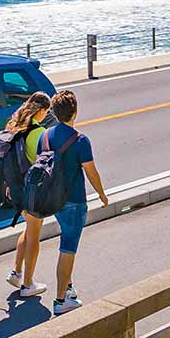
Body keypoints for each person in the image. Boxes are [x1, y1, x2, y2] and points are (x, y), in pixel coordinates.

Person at [39, 89, 108, 315]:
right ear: (74, 112)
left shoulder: (45, 136)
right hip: (75, 201)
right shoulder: (80, 141)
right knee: (68, 248)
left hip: (53, 200)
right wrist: (101, 194)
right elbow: (91, 172)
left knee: (66, 242)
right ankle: (60, 301)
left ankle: (68, 289)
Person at [3, 91, 53, 299]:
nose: (47, 115)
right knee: (34, 236)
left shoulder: (13, 125)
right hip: (32, 190)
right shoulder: (39, 133)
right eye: (47, 111)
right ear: (41, 110)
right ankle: (28, 284)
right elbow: (45, 162)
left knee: (28, 228)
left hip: (15, 188)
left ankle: (16, 273)